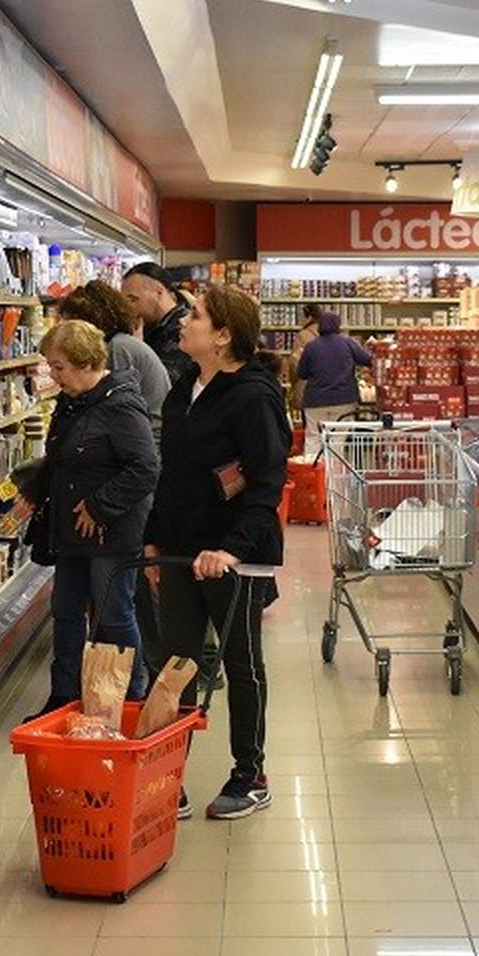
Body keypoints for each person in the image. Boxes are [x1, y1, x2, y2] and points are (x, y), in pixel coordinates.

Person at [146, 285, 290, 820]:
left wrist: (231, 549)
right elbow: (173, 474)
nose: (184, 321)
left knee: (241, 662)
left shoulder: (253, 395)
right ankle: (167, 772)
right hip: (182, 552)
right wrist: (155, 536)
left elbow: (265, 483)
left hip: (236, 555)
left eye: (197, 316)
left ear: (224, 336)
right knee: (177, 664)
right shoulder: (184, 387)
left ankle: (250, 774)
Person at [18, 320, 159, 718]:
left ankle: (129, 698)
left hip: (112, 532)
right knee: (65, 612)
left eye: (59, 366)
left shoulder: (120, 404)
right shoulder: (72, 400)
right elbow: (60, 459)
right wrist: (34, 489)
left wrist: (100, 506)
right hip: (71, 532)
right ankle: (63, 695)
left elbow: (145, 467)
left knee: (114, 614)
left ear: (84, 363)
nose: (53, 375)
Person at [57, 280, 170, 442]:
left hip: (147, 443)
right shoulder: (118, 344)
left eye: (70, 321)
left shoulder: (118, 348)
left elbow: (113, 409)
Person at [295, 312, 372, 456]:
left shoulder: (311, 347)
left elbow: (302, 373)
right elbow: (368, 360)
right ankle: (335, 476)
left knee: (313, 438)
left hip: (315, 401)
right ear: (338, 325)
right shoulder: (348, 343)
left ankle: (313, 474)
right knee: (338, 440)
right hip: (344, 400)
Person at [122, 261, 195, 387]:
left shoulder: (183, 329)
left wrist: (137, 349)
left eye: (133, 300)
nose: (128, 308)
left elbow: (164, 383)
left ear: (159, 293)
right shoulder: (149, 327)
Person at [289, 304, 323, 413]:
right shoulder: (332, 335)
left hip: (308, 389)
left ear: (308, 317)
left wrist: (293, 382)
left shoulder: (303, 336)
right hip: (330, 390)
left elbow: (295, 364)